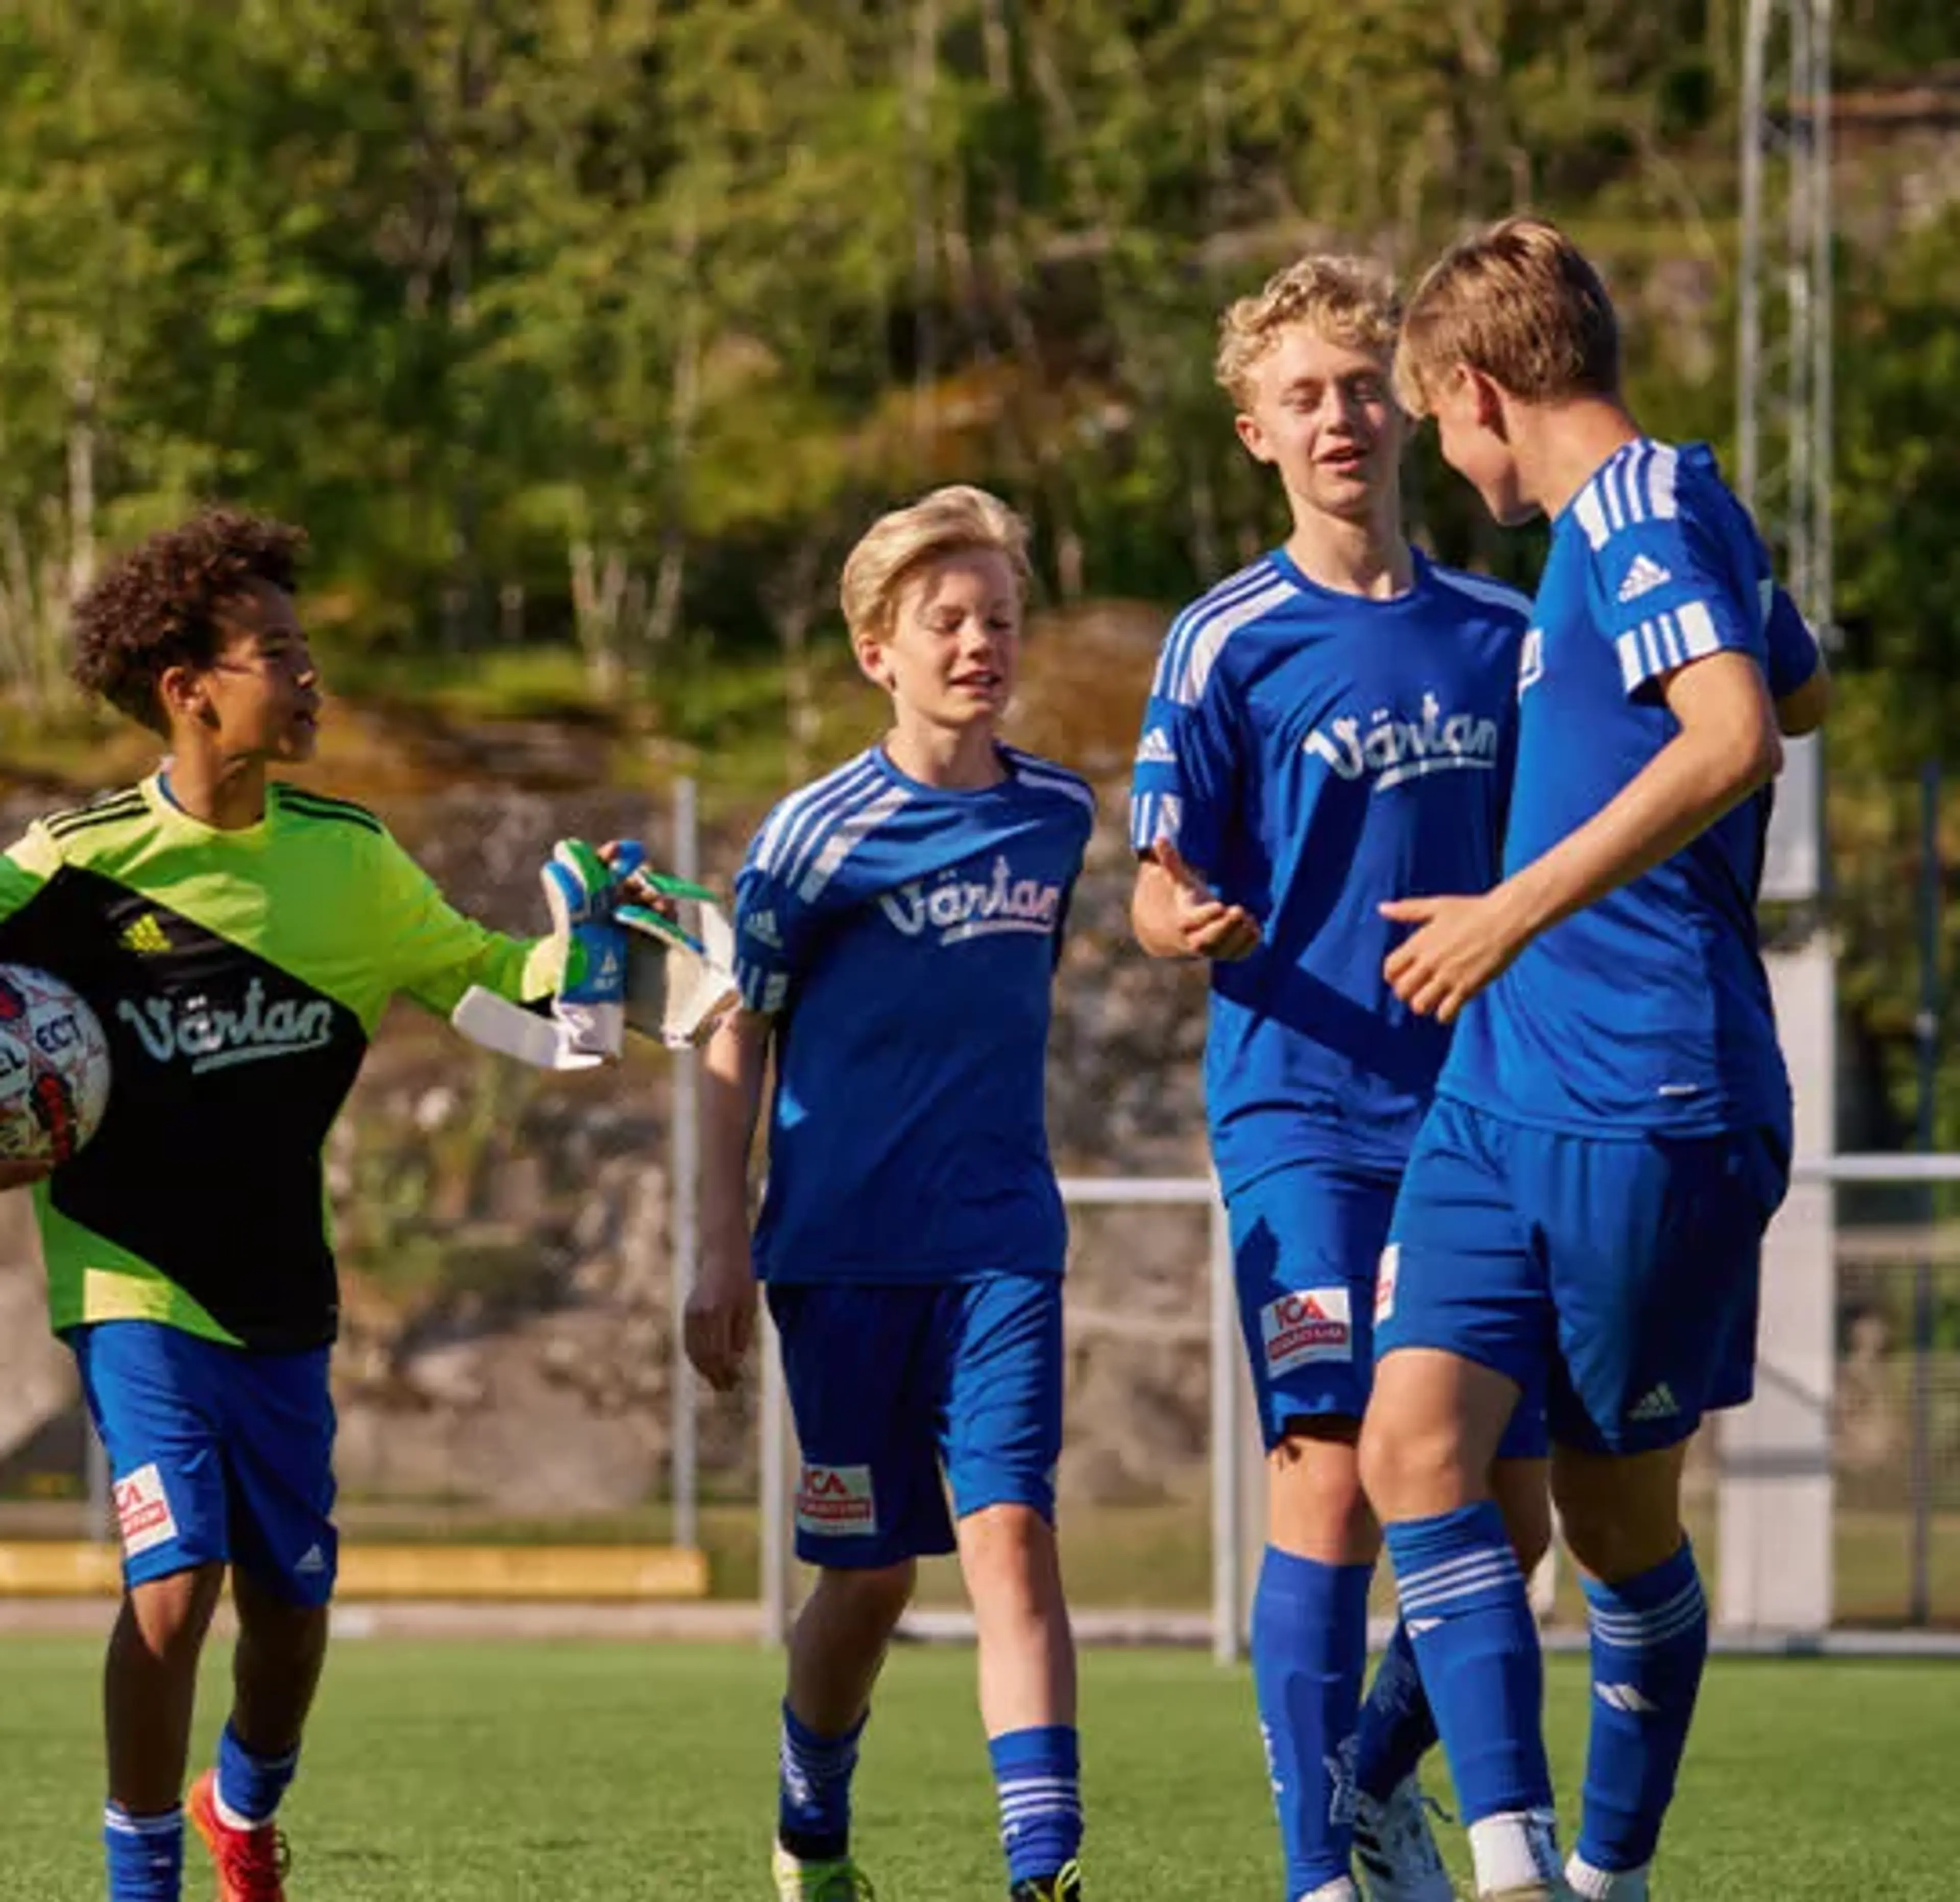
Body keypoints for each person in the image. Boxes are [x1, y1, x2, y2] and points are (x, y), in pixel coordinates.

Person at [0, 507, 637, 1902]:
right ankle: (140, 1878)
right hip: (129, 1281)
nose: (310, 677)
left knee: (290, 1619)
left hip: (279, 1291)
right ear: (189, 690)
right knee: (176, 1584)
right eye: (278, 652)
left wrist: (585, 954)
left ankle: (242, 1800)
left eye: (305, 650)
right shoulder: (71, 865)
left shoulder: (349, 861)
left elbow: (518, 1008)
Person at [1357, 216, 1829, 1902]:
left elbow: (1738, 731)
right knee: (1413, 1443)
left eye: (1433, 412)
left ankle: (1610, 1872)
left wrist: (1507, 908)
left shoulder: (1632, 511)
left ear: (1481, 390)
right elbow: (1804, 680)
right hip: (1503, 1092)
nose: (1442, 450)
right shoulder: (1645, 515)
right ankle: (1507, 1856)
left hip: (1650, 1094)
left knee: (1625, 1532)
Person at [1128, 254, 1553, 1902]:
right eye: (1303, 395)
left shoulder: (1505, 635)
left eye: (1362, 387)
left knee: (1510, 1521)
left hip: (1483, 1114)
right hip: (1302, 1105)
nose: (1339, 419)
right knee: (1329, 1466)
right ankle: (1316, 1874)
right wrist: (1181, 919)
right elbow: (1159, 875)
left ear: (1411, 406)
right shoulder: (1223, 640)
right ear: (1256, 431)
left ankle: (1377, 1783)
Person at [684, 485, 1096, 1902]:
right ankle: (811, 1816)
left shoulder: (1059, 815)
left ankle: (1043, 1867)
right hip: (842, 1260)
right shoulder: (814, 836)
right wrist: (717, 1249)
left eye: (1001, 616)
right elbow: (738, 1025)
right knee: (870, 1579)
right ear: (880, 651)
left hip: (1000, 1247)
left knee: (1013, 1533)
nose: (981, 641)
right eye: (948, 621)